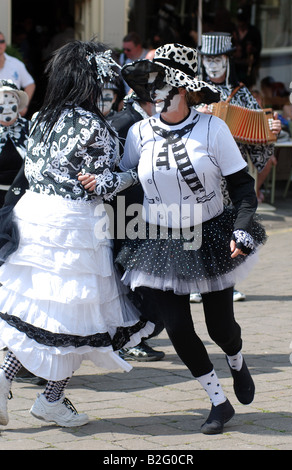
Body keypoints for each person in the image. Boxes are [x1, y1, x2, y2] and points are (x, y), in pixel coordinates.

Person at [81, 43, 267, 435]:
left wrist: (243, 229)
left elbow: (243, 188)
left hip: (211, 234)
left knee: (221, 328)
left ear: (181, 89)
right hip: (159, 239)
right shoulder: (138, 133)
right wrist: (100, 183)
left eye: (161, 85)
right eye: (149, 87)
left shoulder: (213, 128)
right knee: (178, 326)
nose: (153, 95)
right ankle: (218, 402)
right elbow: (127, 177)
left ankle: (236, 360)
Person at [0, 39, 154, 428]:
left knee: (44, 315)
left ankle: (12, 385)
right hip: (75, 228)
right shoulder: (94, 127)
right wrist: (135, 174)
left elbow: (34, 172)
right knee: (75, 323)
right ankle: (45, 397)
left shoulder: (40, 118)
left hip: (34, 219)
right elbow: (101, 185)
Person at [198, 32, 281, 301]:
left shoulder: (242, 93)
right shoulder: (193, 91)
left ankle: (227, 285)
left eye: (218, 59)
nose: (212, 64)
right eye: (207, 59)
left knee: (228, 225)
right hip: (199, 169)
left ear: (227, 60)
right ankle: (196, 282)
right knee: (198, 225)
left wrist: (271, 131)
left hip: (230, 172)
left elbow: (259, 137)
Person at [108, 92, 165, 362]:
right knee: (134, 279)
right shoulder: (125, 122)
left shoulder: (144, 120)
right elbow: (113, 169)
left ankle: (134, 335)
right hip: (127, 213)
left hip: (146, 211)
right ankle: (130, 338)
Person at [0, 80, 29, 207]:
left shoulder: (31, 128)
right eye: (1, 104)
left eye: (11, 102)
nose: (6, 108)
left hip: (25, 197)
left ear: (18, 104)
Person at [0, 32, 35, 116]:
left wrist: (24, 105)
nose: (0, 45)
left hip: (12, 116)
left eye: (2, 41)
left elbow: (30, 84)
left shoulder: (16, 63)